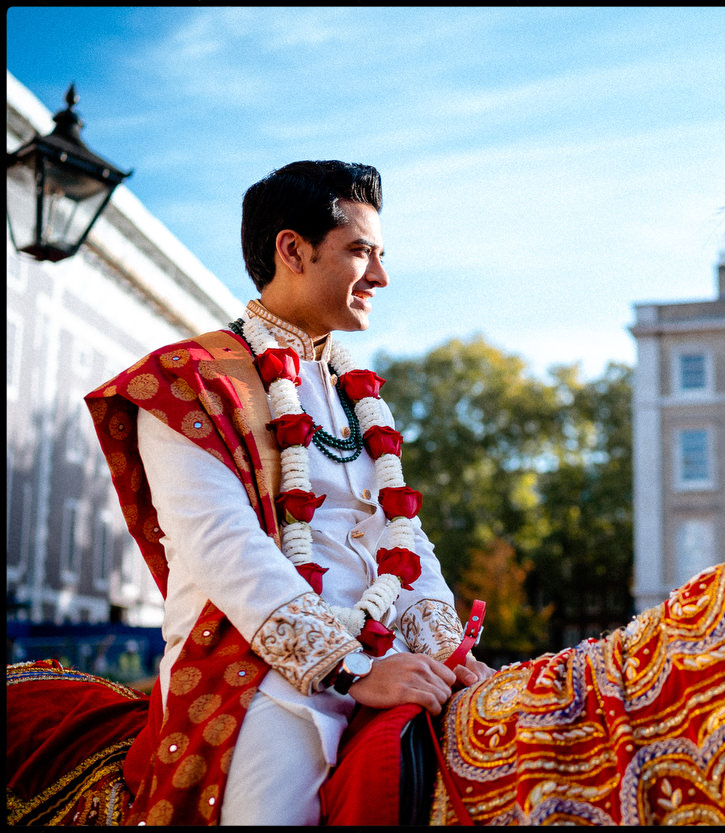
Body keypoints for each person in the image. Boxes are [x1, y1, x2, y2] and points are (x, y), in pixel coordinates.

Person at [86, 160, 491, 825]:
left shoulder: (359, 397)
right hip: (261, 674)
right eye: (361, 252)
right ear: (292, 250)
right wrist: (350, 674)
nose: (382, 277)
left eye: (381, 254)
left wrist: (447, 651)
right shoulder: (189, 381)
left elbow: (403, 536)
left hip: (392, 658)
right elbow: (224, 547)